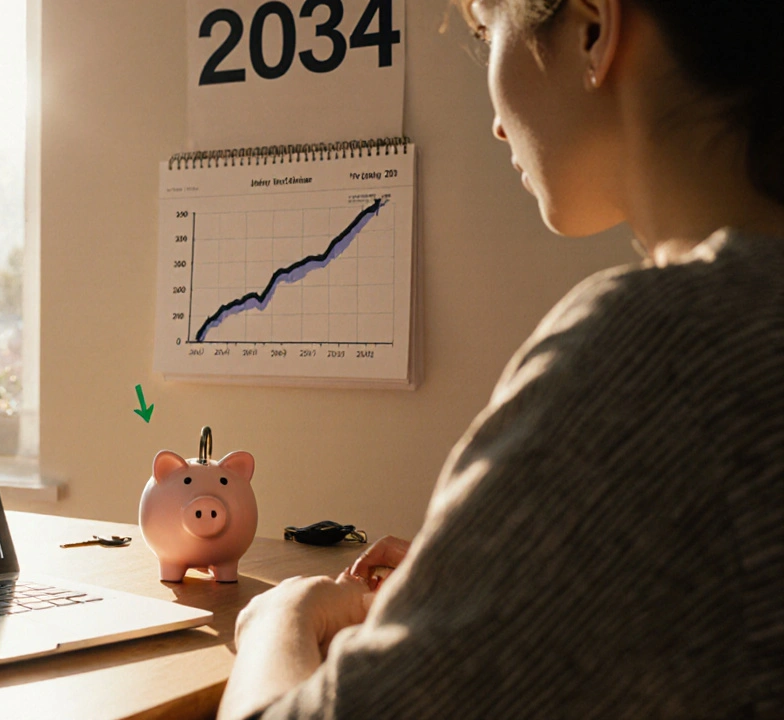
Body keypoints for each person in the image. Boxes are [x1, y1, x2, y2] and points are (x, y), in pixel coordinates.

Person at [217, 0, 784, 717]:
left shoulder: (663, 352)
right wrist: (509, 573)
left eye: (488, 32)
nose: (493, 120)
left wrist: (282, 618)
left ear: (591, 27)